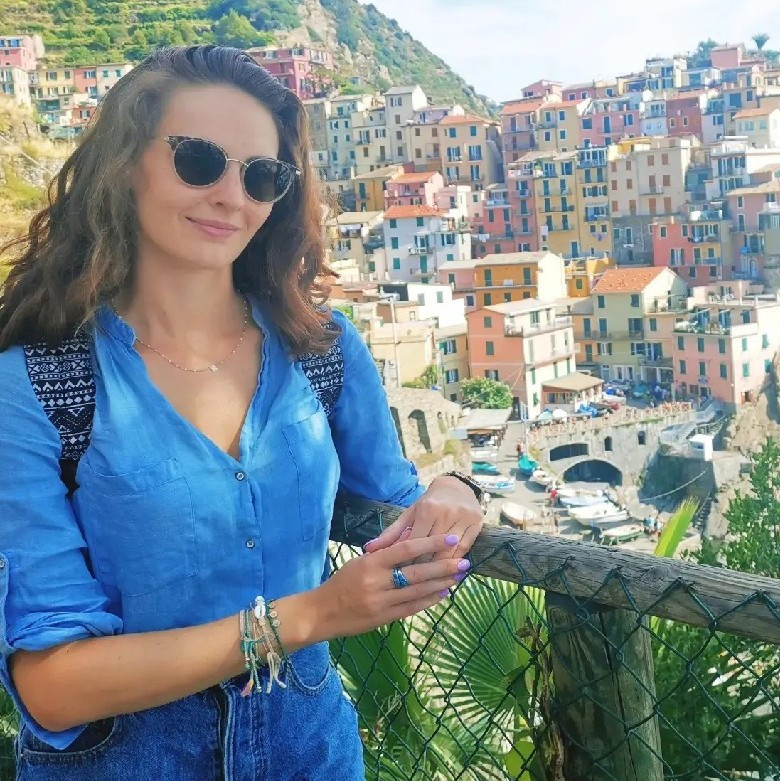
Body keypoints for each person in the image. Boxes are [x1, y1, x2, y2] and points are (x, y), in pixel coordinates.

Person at [0, 46, 484, 780]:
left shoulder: (319, 348)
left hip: (310, 746)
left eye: (262, 176)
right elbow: (53, 686)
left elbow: (398, 503)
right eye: (199, 161)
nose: (233, 196)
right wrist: (310, 616)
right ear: (124, 165)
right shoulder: (40, 382)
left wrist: (456, 490)